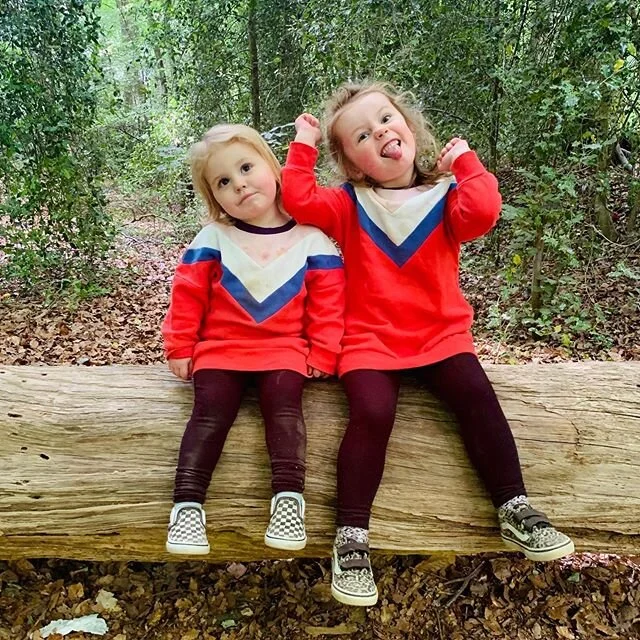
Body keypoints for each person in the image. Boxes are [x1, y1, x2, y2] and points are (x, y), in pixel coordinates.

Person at [280, 81, 574, 607]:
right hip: (368, 340)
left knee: (477, 398)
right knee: (372, 412)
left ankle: (514, 508)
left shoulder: (445, 196)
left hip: (441, 336)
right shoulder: (350, 204)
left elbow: (482, 214)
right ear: (352, 165)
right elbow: (298, 200)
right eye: (362, 136)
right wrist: (302, 146)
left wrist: (466, 162)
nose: (381, 134)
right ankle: (351, 538)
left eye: (387, 119)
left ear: (409, 127)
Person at [162, 123, 345, 556]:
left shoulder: (312, 240)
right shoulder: (214, 239)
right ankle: (187, 507)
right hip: (220, 350)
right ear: (214, 197)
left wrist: (323, 350)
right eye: (223, 182)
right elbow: (187, 295)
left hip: (284, 351)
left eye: (246, 167)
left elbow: (329, 304)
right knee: (209, 414)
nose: (239, 184)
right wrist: (179, 346)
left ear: (272, 167)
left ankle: (288, 500)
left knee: (283, 409)